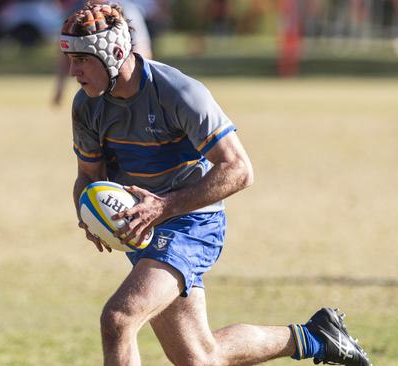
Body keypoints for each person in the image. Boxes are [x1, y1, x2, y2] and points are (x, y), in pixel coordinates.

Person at [61, 3, 372, 365]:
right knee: (200, 358)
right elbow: (88, 176)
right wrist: (88, 215)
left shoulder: (178, 93)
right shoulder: (87, 106)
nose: (72, 71)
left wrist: (163, 207)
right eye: (70, 59)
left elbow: (239, 169)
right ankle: (317, 337)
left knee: (118, 319)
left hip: (191, 223)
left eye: (82, 59)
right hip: (142, 226)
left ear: (115, 53)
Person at [53, 0, 152, 106]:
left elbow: (142, 49)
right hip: (95, 94)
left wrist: (140, 84)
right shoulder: (77, 12)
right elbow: (66, 54)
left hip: (130, 89)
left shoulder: (127, 10)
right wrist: (60, 87)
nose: (73, 72)